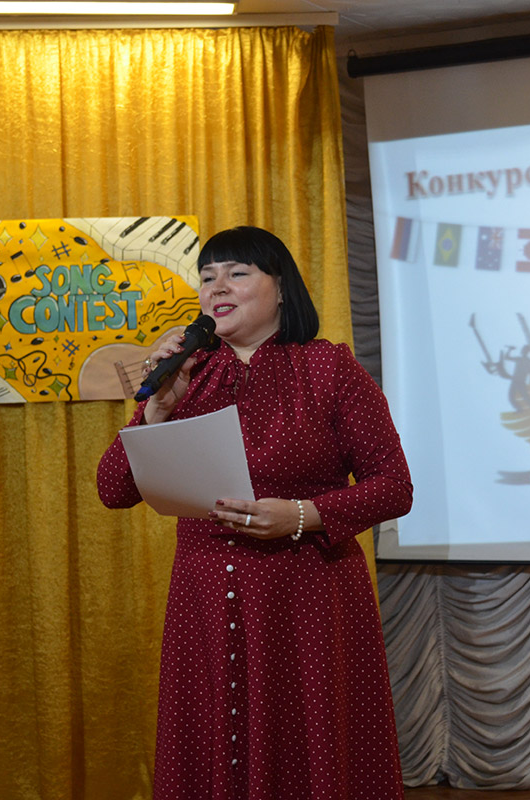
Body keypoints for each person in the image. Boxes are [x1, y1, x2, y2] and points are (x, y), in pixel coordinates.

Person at [96, 226, 412, 799]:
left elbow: (393, 487)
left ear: (282, 288)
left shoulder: (329, 369)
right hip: (204, 602)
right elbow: (113, 489)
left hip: (306, 596)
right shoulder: (186, 375)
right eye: (207, 276)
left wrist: (301, 515)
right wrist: (158, 408)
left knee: (310, 750)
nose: (217, 286)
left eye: (237, 273)